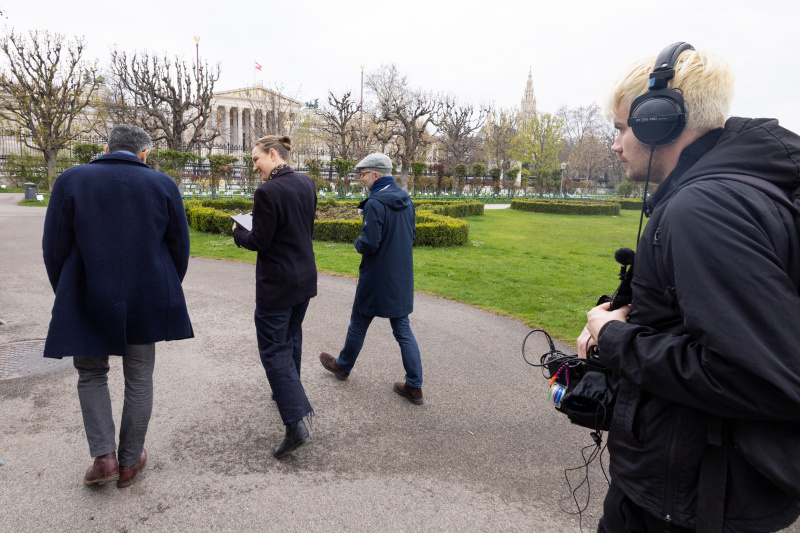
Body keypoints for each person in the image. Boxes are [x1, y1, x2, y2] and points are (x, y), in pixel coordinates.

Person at [577, 43, 800, 532]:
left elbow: (760, 377)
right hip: (700, 489)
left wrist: (613, 338)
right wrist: (625, 313)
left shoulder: (703, 209)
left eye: (621, 128)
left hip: (689, 501)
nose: (615, 145)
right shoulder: (731, 191)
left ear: (661, 123)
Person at [42, 124, 194, 488]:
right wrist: (164, 287)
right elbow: (180, 247)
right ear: (144, 154)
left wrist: (66, 290)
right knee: (139, 377)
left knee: (91, 373)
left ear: (107, 148)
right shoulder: (163, 184)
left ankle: (104, 458)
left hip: (87, 290)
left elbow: (54, 246)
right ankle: (129, 461)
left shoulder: (72, 180)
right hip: (146, 293)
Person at [232, 135, 317, 458]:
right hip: (303, 278)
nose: (254, 167)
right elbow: (298, 227)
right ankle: (287, 392)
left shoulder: (267, 192)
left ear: (272, 154)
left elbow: (259, 242)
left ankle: (295, 425)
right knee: (291, 337)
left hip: (277, 284)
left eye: (256, 159)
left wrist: (239, 232)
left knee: (273, 349)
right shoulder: (306, 183)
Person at [319, 153, 424, 404]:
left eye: (363, 174)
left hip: (376, 277)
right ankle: (414, 386)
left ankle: (343, 366)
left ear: (376, 175)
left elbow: (369, 244)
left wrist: (357, 241)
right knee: (403, 330)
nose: (361, 179)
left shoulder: (375, 203)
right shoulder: (406, 200)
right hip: (401, 277)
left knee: (358, 322)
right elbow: (411, 235)